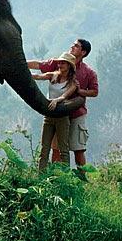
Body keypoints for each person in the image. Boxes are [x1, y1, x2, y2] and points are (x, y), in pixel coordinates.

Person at [28, 39, 99, 172]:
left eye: (76, 46)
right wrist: (18, 63)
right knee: (56, 149)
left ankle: (81, 179)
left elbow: (94, 91)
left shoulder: (88, 72)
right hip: (57, 113)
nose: (72, 46)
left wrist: (79, 92)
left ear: (83, 52)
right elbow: (39, 66)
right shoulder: (57, 65)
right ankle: (57, 177)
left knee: (78, 149)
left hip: (77, 114)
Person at [32, 52, 77, 170]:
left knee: (63, 149)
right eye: (59, 62)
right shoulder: (53, 75)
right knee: (45, 148)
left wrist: (57, 100)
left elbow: (65, 96)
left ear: (69, 66)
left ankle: (66, 176)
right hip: (49, 116)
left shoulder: (73, 83)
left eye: (63, 63)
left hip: (62, 117)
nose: (60, 65)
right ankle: (41, 175)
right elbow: (38, 77)